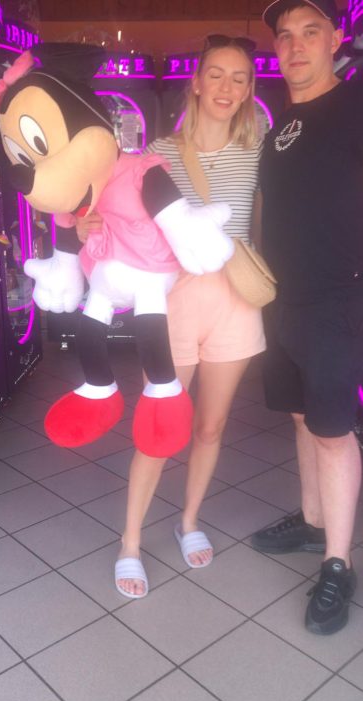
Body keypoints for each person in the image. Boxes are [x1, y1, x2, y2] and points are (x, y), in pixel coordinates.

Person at [76, 35, 265, 598]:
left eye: (239, 78)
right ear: (197, 82)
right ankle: (130, 542)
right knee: (159, 429)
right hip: (171, 302)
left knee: (210, 427)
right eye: (217, 74)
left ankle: (188, 521)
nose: (227, 87)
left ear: (248, 90)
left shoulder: (259, 150)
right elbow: (106, 207)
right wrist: (85, 225)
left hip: (235, 301)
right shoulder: (156, 151)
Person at [251, 0, 362, 635]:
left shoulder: (355, 104)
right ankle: (314, 522)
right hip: (281, 300)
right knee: (300, 416)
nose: (295, 46)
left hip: (338, 300)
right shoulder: (280, 126)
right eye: (285, 36)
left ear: (335, 39)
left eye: (310, 32)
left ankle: (338, 565)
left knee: (332, 431)